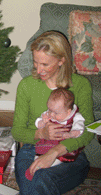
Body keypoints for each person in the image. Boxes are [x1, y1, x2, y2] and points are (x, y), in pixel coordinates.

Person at [11, 31, 94, 195]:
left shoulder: (80, 85)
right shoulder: (26, 86)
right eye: (36, 63)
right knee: (36, 180)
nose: (39, 69)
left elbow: (88, 130)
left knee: (41, 180)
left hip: (70, 153)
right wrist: (40, 132)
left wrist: (55, 152)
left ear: (61, 61)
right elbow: (17, 131)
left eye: (45, 65)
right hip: (31, 150)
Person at [25, 88, 85, 180]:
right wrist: (42, 122)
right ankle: (35, 167)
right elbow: (38, 123)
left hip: (62, 146)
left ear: (68, 112)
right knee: (38, 156)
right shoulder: (50, 113)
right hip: (47, 142)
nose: (51, 115)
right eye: (50, 110)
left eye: (55, 113)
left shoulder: (75, 117)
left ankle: (40, 170)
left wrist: (71, 134)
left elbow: (79, 129)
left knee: (54, 161)